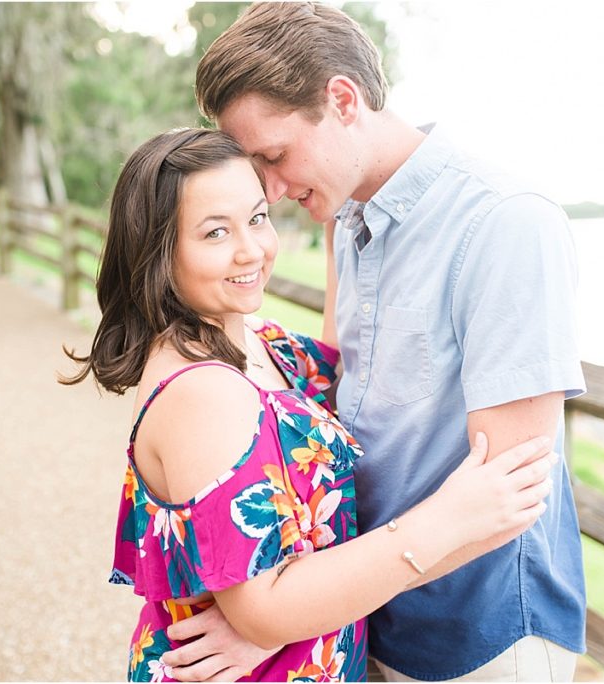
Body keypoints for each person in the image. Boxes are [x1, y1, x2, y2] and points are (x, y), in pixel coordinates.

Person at [157, 3, 588, 682]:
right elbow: (339, 418)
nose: (268, 188)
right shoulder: (347, 221)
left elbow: (508, 497)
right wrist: (291, 611)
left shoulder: (505, 225)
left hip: (479, 638)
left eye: (273, 156)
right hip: (374, 615)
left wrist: (286, 617)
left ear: (343, 99)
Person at [62, 127, 558, 682]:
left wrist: (338, 230)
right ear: (159, 250)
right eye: (215, 232)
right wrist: (448, 518)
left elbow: (337, 363)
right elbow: (264, 609)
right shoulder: (201, 393)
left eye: (256, 218)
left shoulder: (252, 341)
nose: (252, 250)